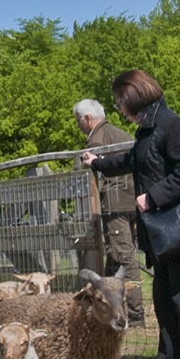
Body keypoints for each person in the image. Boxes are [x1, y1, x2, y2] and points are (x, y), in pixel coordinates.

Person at [83, 69, 180, 359]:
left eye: (119, 100)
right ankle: (169, 354)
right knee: (163, 294)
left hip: (179, 225)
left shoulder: (170, 125)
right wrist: (98, 163)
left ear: (133, 97)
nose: (118, 107)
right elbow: (132, 160)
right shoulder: (146, 129)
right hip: (158, 229)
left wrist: (152, 197)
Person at [74, 98, 143, 324]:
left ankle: (135, 312)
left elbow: (90, 163)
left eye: (78, 120)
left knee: (123, 256)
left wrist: (85, 161)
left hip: (115, 203)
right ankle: (109, 306)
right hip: (132, 200)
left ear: (87, 118)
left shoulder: (98, 137)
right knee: (114, 257)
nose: (78, 125)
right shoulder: (121, 133)